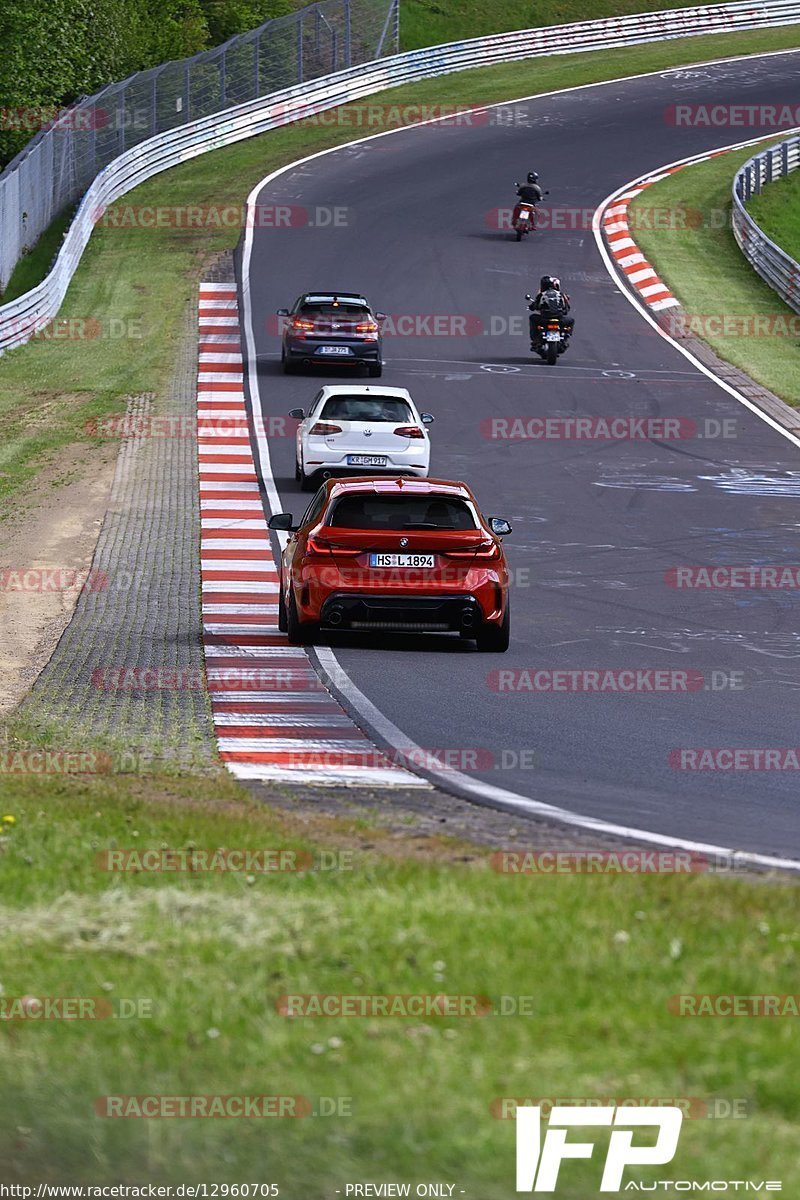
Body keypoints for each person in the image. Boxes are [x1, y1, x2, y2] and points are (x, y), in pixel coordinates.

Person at [527, 275, 574, 349]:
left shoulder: (541, 294)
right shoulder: (561, 294)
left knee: (532, 318)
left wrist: (531, 307)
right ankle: (566, 337)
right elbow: (567, 308)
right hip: (559, 319)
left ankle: (535, 338)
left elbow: (535, 306)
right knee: (571, 321)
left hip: (544, 319)